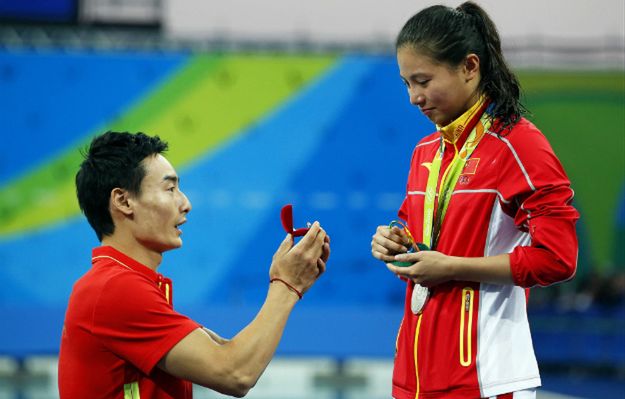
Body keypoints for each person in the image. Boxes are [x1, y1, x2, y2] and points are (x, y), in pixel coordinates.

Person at [370, 3, 578, 399]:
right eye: (406, 84)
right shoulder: (425, 151)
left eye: (423, 80)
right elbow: (417, 240)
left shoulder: (517, 144)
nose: (414, 97)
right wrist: (394, 242)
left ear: (469, 66)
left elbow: (558, 258)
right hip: (414, 377)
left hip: (487, 378)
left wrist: (451, 268)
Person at [58, 131, 330, 398]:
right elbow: (235, 372)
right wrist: (287, 285)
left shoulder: (118, 285)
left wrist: (288, 282)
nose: (185, 203)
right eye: (170, 188)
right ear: (123, 201)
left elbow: (227, 350)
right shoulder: (115, 289)